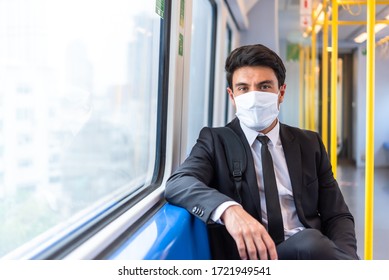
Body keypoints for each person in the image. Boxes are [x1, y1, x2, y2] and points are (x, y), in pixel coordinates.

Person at [164, 44, 358, 260]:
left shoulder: (309, 143)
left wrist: (345, 259)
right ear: (232, 95)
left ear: (281, 92)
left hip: (312, 255)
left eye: (264, 87)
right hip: (253, 260)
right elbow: (179, 182)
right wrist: (229, 210)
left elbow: (337, 214)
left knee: (311, 243)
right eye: (243, 88)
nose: (253, 96)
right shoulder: (215, 140)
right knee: (310, 242)